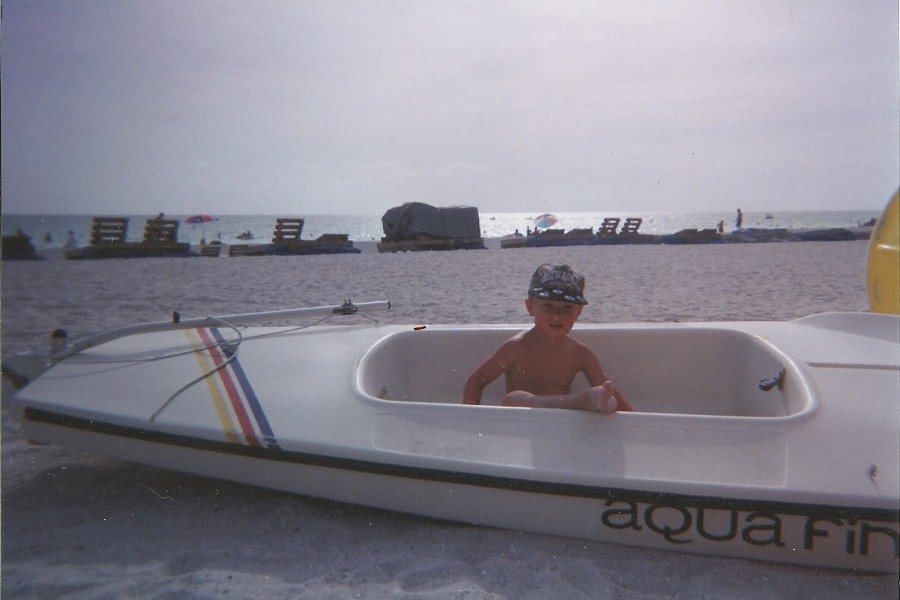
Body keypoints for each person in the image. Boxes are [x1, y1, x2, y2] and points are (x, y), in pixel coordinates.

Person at [463, 264, 633, 413]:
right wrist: (472, 422)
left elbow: (608, 391)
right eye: (548, 306)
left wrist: (635, 423)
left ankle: (586, 401)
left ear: (578, 312)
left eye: (566, 308)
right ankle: (583, 401)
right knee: (514, 400)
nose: (556, 315)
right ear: (530, 307)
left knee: (602, 396)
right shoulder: (516, 348)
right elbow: (476, 381)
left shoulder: (581, 354)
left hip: (561, 424)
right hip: (524, 422)